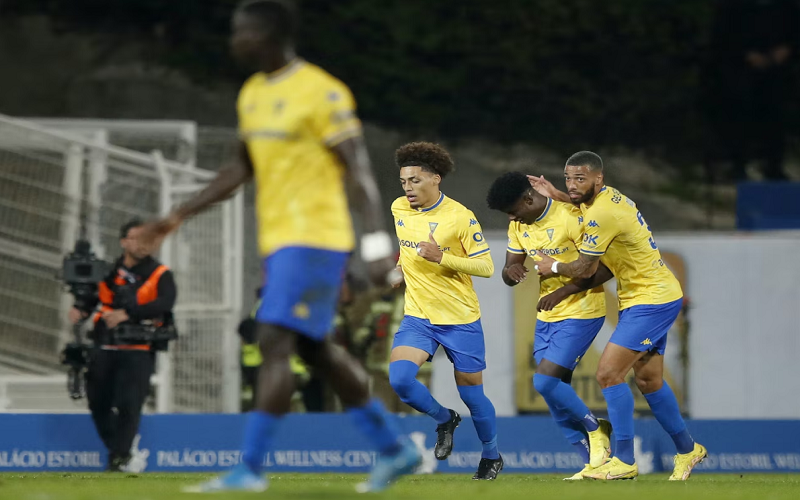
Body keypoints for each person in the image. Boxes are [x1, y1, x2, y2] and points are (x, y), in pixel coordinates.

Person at [138, 1, 418, 492]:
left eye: (241, 31)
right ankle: (394, 450)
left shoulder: (322, 91)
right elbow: (240, 167)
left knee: (272, 339)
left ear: (270, 34)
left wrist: (377, 242)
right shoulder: (252, 94)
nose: (234, 41)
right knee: (315, 349)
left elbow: (358, 170)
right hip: (279, 241)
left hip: (316, 238)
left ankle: (249, 469)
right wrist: (179, 213)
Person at [531, 151, 707, 481]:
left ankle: (624, 460)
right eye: (568, 178)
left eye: (579, 179)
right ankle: (688, 449)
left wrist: (552, 267)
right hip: (644, 296)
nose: (572, 185)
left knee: (608, 374)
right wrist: (556, 195)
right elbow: (584, 210)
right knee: (649, 380)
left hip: (652, 300)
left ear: (598, 178)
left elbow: (586, 268)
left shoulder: (603, 214)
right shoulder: (606, 199)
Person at [486, 171, 613, 480]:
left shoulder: (571, 217)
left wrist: (562, 292)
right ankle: (592, 464)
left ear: (529, 198)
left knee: (544, 382)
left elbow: (606, 269)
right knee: (555, 391)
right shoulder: (519, 225)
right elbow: (509, 267)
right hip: (548, 316)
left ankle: (596, 428)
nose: (512, 218)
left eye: (514, 211)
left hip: (583, 310)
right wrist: (511, 273)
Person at [388, 141, 503, 480]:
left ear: (435, 178)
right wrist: (400, 268)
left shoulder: (460, 216)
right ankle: (444, 419)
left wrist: (442, 257)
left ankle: (491, 455)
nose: (408, 188)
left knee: (473, 395)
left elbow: (486, 267)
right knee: (400, 380)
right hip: (419, 316)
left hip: (459, 318)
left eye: (415, 181)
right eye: (403, 182)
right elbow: (406, 248)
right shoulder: (399, 208)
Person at [68, 218, 177, 472]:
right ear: (123, 242)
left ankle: (119, 459)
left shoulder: (160, 274)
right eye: (137, 238)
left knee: (129, 404)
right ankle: (122, 450)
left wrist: (128, 314)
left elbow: (165, 303)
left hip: (138, 349)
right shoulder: (107, 272)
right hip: (104, 347)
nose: (143, 244)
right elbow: (92, 298)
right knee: (98, 403)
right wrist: (80, 310)